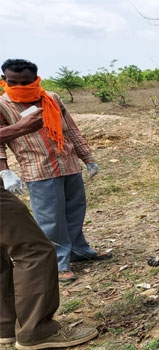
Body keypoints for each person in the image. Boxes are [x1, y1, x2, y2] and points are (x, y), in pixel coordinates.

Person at [0, 59, 111, 284]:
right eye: (13, 82)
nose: (20, 86)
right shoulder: (2, 105)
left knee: (75, 210)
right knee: (50, 219)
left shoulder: (51, 98)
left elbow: (70, 129)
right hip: (38, 168)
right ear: (4, 80)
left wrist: (87, 158)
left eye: (26, 82)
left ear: (36, 79)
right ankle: (58, 263)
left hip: (68, 163)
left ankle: (79, 250)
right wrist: (4, 171)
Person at [0, 109, 98, 349]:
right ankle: (37, 330)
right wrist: (20, 128)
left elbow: (70, 129)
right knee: (34, 250)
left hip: (64, 168)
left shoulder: (52, 99)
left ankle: (6, 326)